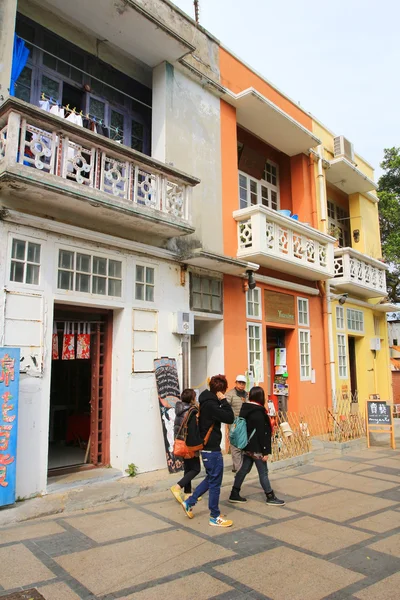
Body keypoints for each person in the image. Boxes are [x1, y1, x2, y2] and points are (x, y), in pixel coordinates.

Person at [182, 374, 235, 527]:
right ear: (220, 391)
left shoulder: (205, 401)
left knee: (211, 479)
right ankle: (214, 516)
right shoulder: (212, 405)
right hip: (211, 450)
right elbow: (230, 417)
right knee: (215, 483)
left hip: (207, 449)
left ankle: (189, 502)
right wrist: (223, 400)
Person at [228, 386, 285, 506]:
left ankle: (234, 492)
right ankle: (270, 496)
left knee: (244, 469)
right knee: (263, 472)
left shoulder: (246, 408)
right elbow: (263, 434)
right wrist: (265, 452)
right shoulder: (259, 412)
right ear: (261, 397)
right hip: (258, 448)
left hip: (247, 446)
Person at [170, 389, 202, 505]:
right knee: (196, 469)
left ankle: (188, 494)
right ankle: (178, 486)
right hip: (189, 445)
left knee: (188, 468)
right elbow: (193, 432)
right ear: (192, 399)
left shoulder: (179, 409)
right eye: (194, 397)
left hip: (181, 443)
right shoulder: (191, 412)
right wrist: (198, 446)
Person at [226, 375, 248, 472]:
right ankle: (239, 469)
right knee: (235, 446)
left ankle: (238, 467)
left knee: (243, 445)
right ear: (236, 383)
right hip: (234, 425)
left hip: (244, 424)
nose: (241, 385)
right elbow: (225, 408)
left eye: (243, 383)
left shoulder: (246, 395)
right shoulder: (230, 394)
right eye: (239, 383)